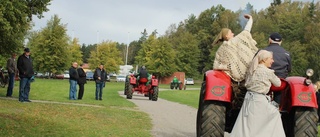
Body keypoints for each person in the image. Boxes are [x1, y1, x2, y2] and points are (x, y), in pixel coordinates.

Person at [213, 14, 258, 131]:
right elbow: (246, 31)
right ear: (227, 35)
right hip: (245, 80)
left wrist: (226, 70)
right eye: (231, 32)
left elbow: (217, 66)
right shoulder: (237, 40)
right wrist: (251, 19)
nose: (233, 34)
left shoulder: (221, 49)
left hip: (231, 81)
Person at [230, 50, 285, 137]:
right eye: (271, 59)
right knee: (275, 114)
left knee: (248, 123)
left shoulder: (251, 70)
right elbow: (278, 83)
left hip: (248, 99)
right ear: (264, 60)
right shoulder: (267, 72)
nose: (273, 61)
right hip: (260, 100)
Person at [264, 32, 291, 107]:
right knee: (279, 92)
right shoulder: (287, 54)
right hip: (280, 83)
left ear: (269, 40)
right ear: (281, 42)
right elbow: (289, 69)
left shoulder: (263, 51)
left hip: (265, 82)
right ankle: (277, 107)